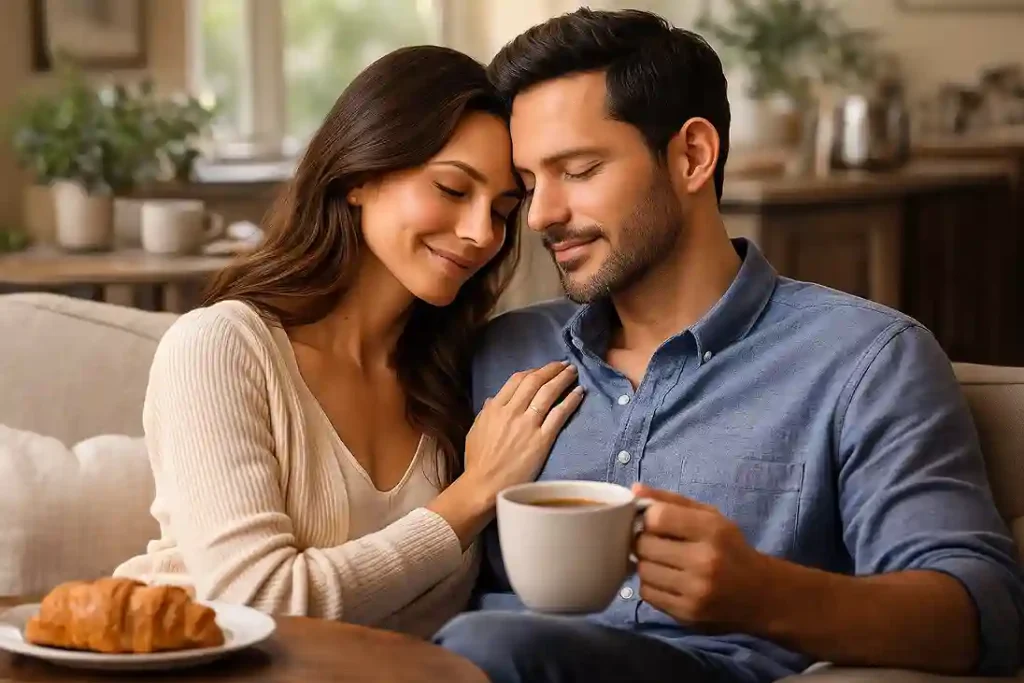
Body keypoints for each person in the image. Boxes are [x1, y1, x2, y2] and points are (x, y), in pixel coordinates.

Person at [433, 8, 1024, 683]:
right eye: (532, 184)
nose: (541, 215)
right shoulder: (500, 351)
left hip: (674, 668)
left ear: (692, 155)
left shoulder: (864, 359)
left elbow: (987, 611)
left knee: (491, 645)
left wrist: (766, 592)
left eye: (579, 169)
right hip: (471, 661)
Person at [113, 45, 585, 638]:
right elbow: (254, 599)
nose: (480, 233)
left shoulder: (460, 372)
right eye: (451, 188)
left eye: (503, 209)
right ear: (361, 175)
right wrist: (470, 498)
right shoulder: (219, 348)